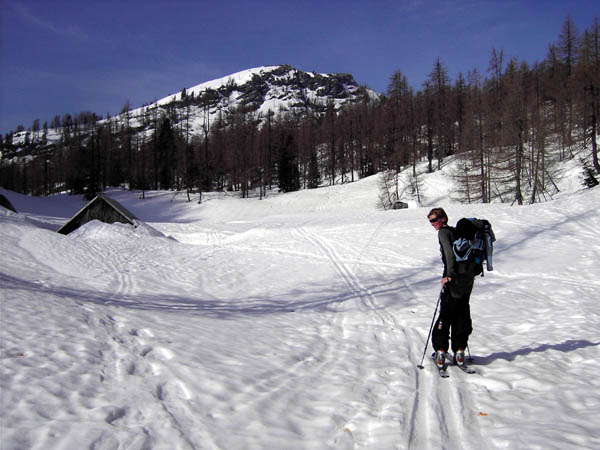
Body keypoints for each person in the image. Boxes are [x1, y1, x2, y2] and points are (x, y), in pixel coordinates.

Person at [427, 207, 474, 368]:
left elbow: (449, 255)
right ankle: (459, 350)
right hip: (467, 279)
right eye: (430, 221)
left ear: (442, 219)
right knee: (462, 312)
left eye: (434, 220)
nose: (432, 224)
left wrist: (448, 275)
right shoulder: (456, 232)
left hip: (453, 279)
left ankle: (440, 351)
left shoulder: (443, 233)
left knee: (446, 313)